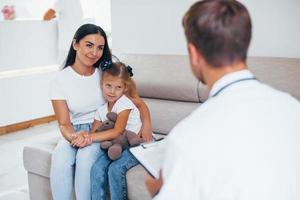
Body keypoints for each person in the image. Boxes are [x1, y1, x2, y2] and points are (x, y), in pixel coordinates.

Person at [146, 0, 300, 199]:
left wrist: (158, 191)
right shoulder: (293, 109)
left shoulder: (188, 136)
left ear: (194, 53)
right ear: (244, 44)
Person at [50, 24, 152, 200]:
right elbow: (64, 124)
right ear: (75, 44)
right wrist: (75, 137)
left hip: (104, 129)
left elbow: (138, 103)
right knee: (60, 157)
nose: (94, 52)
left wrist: (147, 127)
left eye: (100, 48)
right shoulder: (60, 79)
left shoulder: (106, 75)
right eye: (89, 45)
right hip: (76, 130)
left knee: (85, 156)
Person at [71, 61, 145, 200]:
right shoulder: (101, 110)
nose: (112, 91)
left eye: (118, 87)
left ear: (124, 88)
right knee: (97, 169)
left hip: (134, 145)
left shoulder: (124, 103)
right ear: (102, 84)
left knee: (115, 170)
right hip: (115, 147)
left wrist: (90, 137)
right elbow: (95, 133)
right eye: (108, 86)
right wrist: (83, 136)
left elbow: (118, 131)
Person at [43, 0, 83, 67]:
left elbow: (46, 17)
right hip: (77, 44)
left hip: (65, 46)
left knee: (63, 72)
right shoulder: (77, 2)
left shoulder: (61, 1)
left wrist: (55, 16)